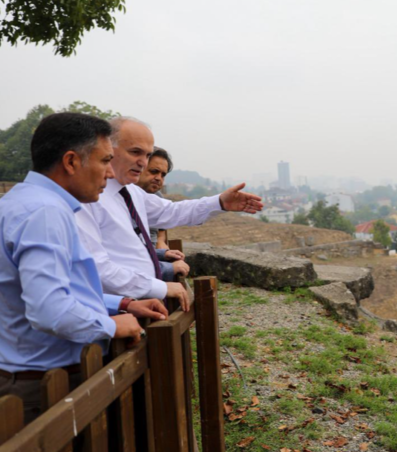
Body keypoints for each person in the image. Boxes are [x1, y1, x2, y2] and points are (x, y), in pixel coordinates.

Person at [0, 113, 168, 426]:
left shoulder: (22, 202)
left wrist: (122, 303)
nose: (109, 172)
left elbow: (52, 290)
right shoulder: (45, 213)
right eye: (104, 160)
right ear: (71, 161)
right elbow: (49, 309)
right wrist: (110, 326)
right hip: (43, 384)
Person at [76, 117, 263, 311]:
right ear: (107, 149)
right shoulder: (87, 197)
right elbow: (96, 266)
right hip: (117, 309)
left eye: (147, 155)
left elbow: (171, 211)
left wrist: (219, 202)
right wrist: (158, 287)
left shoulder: (130, 192)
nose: (142, 162)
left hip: (141, 302)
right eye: (135, 152)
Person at [136, 147, 188, 281]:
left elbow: (162, 227)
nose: (158, 178)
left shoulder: (157, 197)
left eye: (163, 175)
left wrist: (161, 244)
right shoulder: (123, 198)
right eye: (154, 171)